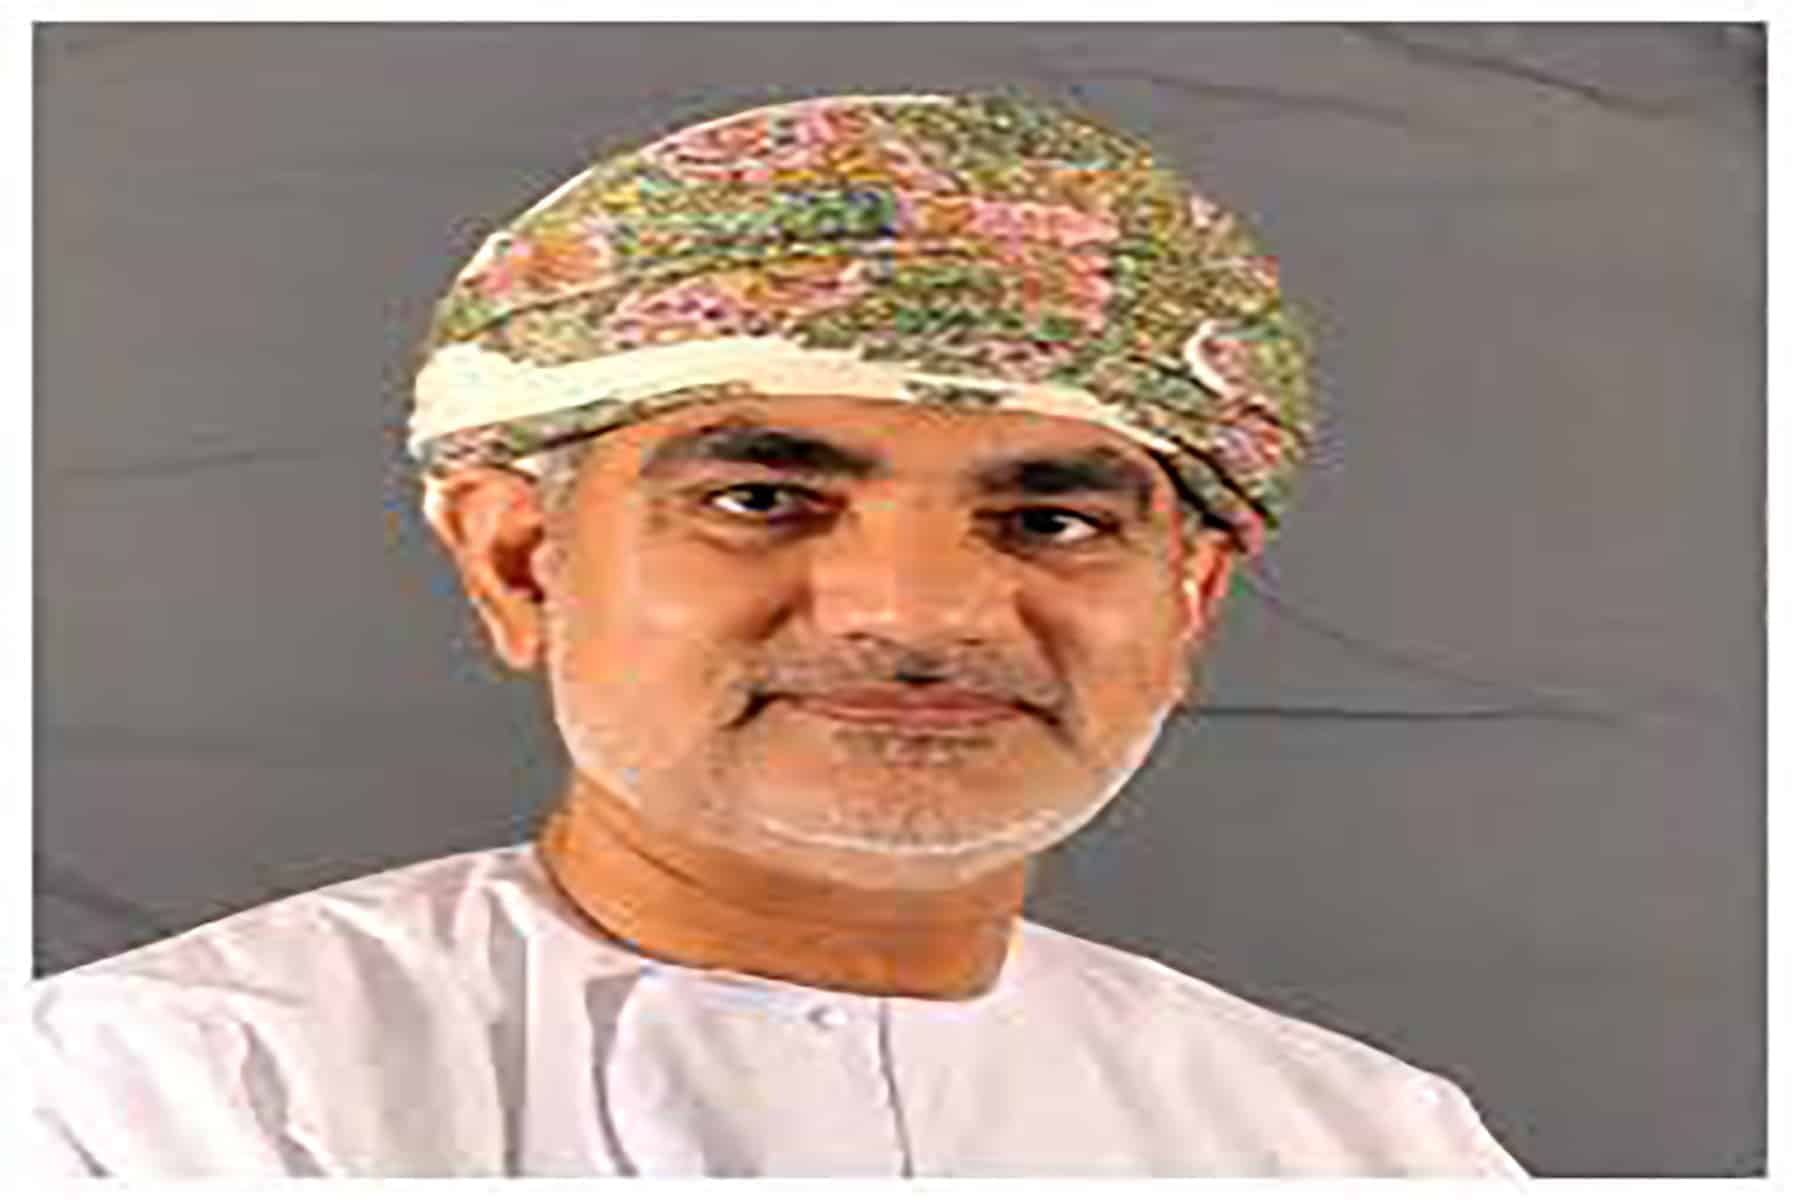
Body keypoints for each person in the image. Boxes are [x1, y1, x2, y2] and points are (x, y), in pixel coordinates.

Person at [29, 89, 1527, 1177]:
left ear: (1187, 601)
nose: (921, 612)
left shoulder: (1360, 1144)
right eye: (763, 500)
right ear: (521, 562)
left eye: (1051, 520)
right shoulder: (163, 1100)